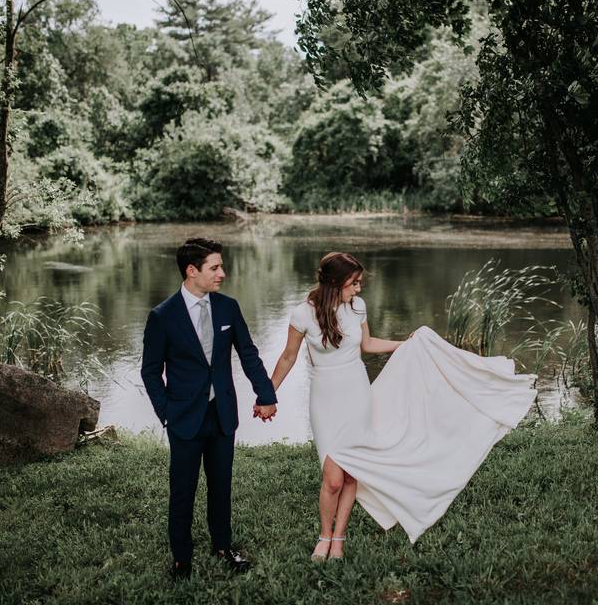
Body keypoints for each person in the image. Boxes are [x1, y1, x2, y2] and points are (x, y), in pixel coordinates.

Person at [270, 252, 537, 561]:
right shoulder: (303, 314)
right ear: (334, 281)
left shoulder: (357, 307)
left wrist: (405, 345)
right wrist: (268, 394)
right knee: (332, 477)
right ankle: (324, 535)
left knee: (352, 472)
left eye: (359, 283)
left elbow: (367, 346)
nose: (358, 289)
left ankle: (339, 539)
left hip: (357, 395)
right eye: (353, 283)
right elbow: (288, 357)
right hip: (325, 399)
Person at [141, 238, 277, 580]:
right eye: (215, 267)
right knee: (182, 490)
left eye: (221, 266)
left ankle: (222, 545)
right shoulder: (162, 316)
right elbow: (150, 370)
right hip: (183, 418)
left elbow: (248, 354)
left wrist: (266, 393)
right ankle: (181, 560)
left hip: (222, 416)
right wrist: (166, 412)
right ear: (192, 271)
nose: (222, 273)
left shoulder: (228, 308)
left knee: (221, 486)